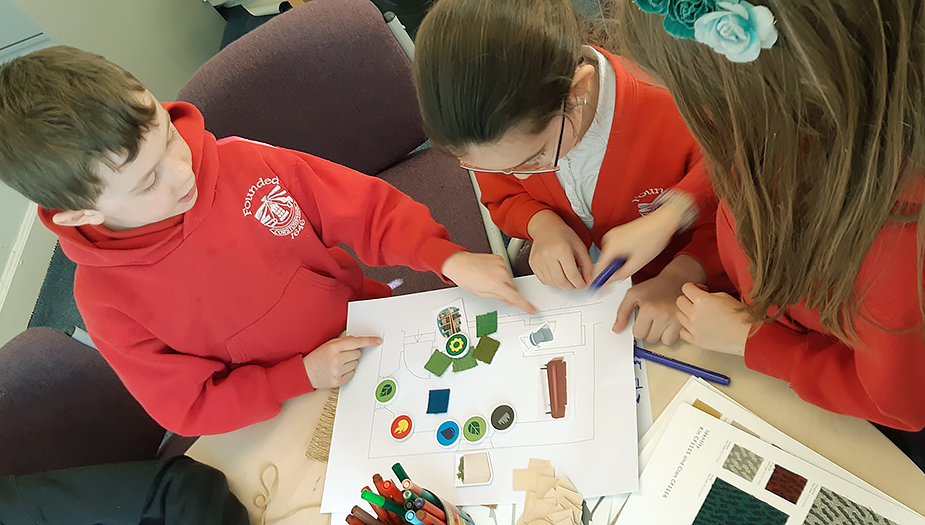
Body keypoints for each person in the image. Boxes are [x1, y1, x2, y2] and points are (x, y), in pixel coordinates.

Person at [0, 46, 535, 436]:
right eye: (147, 182)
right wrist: (296, 378)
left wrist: (446, 256)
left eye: (167, 135)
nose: (181, 170)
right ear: (84, 214)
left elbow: (364, 209)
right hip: (282, 405)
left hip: (372, 332)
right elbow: (186, 407)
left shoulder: (241, 161)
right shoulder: (105, 299)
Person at [612, 0, 925, 460]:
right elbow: (747, 168)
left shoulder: (893, 251)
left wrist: (754, 343)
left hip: (857, 422)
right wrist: (676, 219)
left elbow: (898, 405)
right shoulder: (803, 122)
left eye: (690, 102)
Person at [412, 0, 732, 346]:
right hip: (612, 298)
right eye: (487, 167)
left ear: (578, 89)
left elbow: (738, 211)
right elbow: (503, 194)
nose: (516, 175)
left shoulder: (675, 110)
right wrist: (542, 224)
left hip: (700, 296)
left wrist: (681, 275)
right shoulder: (498, 136)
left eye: (533, 159)